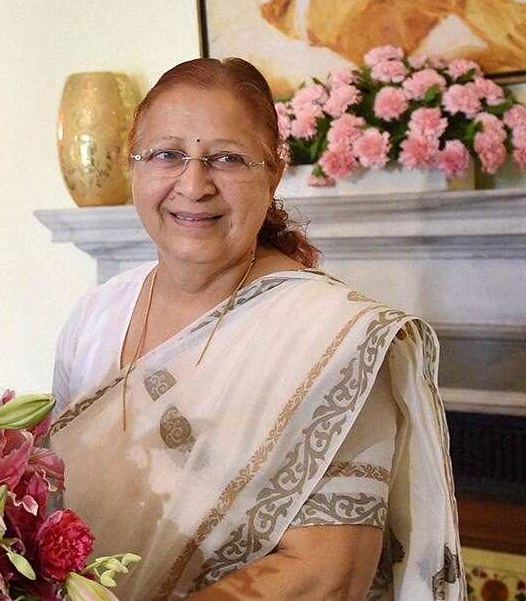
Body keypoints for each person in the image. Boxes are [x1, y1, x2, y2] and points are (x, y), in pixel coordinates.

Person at [50, 58, 462, 600]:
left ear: (273, 171)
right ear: (134, 165)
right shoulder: (95, 315)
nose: (194, 185)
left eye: (227, 158)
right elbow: (50, 507)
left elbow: (327, 573)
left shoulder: (334, 337)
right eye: (167, 155)